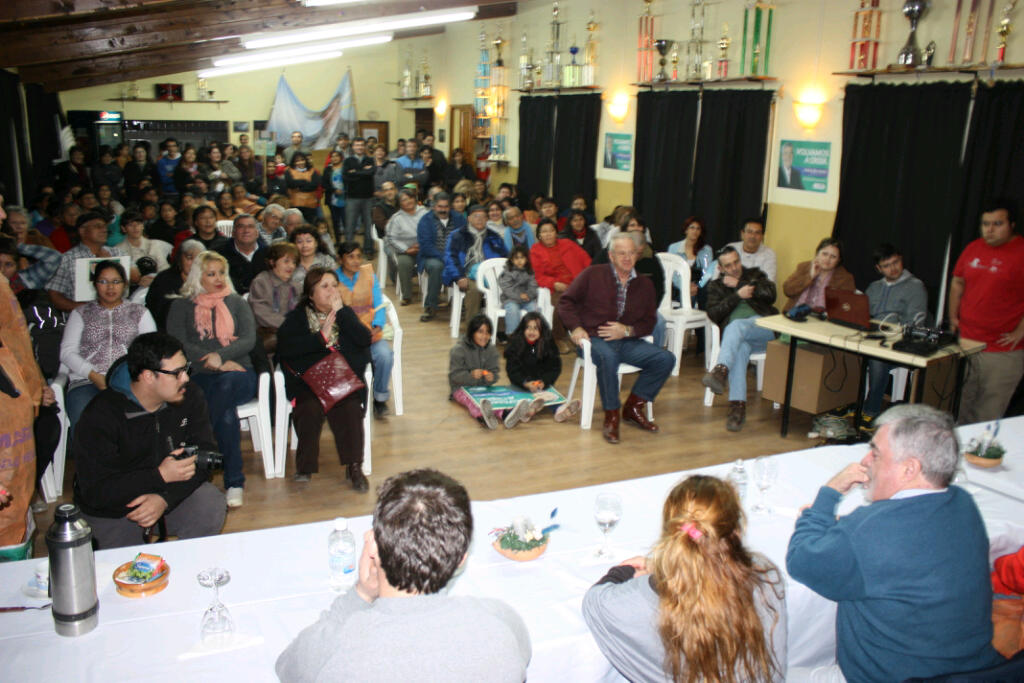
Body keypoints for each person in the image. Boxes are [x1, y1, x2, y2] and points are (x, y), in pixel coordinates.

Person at [786, 404, 1006, 682]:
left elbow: (801, 559)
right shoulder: (963, 503)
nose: (866, 460)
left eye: (876, 453)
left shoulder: (871, 530)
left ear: (909, 469)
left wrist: (827, 495)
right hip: (975, 671)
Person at [276, 468, 530, 681]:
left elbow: (288, 669)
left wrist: (360, 595)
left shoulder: (334, 645)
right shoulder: (501, 623)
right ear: (462, 558)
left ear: (373, 548)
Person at [584, 475, 787, 682]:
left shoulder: (633, 602)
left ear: (671, 535)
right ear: (738, 531)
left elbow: (594, 600)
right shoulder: (766, 578)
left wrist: (627, 571)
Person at [71, 332, 226, 549]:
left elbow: (205, 455)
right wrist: (159, 475)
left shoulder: (189, 395)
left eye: (186, 369)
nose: (185, 378)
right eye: (177, 373)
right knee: (128, 566)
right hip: (113, 510)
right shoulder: (100, 415)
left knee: (210, 503)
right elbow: (96, 491)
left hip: (166, 494)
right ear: (148, 376)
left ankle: (188, 561)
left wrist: (165, 499)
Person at [558, 233, 675, 444]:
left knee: (665, 359)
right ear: (611, 256)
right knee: (608, 358)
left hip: (627, 341)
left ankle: (633, 407)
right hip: (594, 339)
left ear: (637, 255)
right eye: (621, 253)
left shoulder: (645, 284)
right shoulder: (592, 274)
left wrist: (628, 331)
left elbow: (649, 322)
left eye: (631, 253)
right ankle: (612, 416)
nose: (627, 258)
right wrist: (576, 328)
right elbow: (566, 302)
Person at [166, 251, 257, 508]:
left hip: (239, 373)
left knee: (225, 386)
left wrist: (221, 356)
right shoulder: (181, 306)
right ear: (198, 277)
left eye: (221, 273)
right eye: (211, 274)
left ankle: (198, 454)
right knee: (225, 415)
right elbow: (178, 344)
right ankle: (234, 482)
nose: (218, 279)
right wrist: (213, 361)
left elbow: (249, 339)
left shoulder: (236, 302)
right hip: (199, 375)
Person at [276, 267, 370, 488]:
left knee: (349, 407)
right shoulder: (297, 318)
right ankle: (304, 466)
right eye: (324, 286)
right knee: (308, 408)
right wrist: (320, 339)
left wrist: (341, 313)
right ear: (311, 293)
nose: (332, 291)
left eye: (335, 285)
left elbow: (364, 340)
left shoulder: (345, 314)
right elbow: (286, 350)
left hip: (341, 380)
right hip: (309, 382)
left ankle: (354, 467)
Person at [949, 198, 1024, 425]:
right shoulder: (973, 248)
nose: (989, 230)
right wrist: (953, 317)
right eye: (985, 224)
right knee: (957, 408)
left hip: (1002, 352)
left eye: (997, 224)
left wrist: (1021, 331)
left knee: (986, 417)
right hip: (967, 343)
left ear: (1012, 225)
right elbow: (957, 282)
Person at [60, 260, 156, 432]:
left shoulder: (139, 312)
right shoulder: (80, 313)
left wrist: (129, 376)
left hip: (129, 382)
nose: (110, 287)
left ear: (125, 284)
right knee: (85, 421)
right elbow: (67, 352)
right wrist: (93, 375)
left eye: (116, 281)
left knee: (136, 424)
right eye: (103, 281)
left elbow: (150, 350)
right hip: (86, 381)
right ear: (95, 284)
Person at [702, 246, 778, 432]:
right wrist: (737, 296)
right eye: (728, 265)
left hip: (763, 330)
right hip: (737, 338)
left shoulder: (754, 275)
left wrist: (739, 284)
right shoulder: (716, 286)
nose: (734, 267)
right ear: (720, 268)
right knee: (740, 348)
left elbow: (771, 295)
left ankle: (721, 370)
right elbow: (714, 314)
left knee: (736, 326)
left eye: (736, 262)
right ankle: (738, 407)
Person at [863, 243, 929, 424]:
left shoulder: (915, 287)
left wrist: (891, 332)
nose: (893, 268)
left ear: (901, 260)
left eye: (895, 262)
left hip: (898, 344)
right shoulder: (874, 287)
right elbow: (863, 314)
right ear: (878, 269)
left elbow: (915, 324)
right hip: (872, 338)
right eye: (886, 265)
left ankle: (870, 411)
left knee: (877, 359)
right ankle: (845, 403)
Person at [334, 242, 394, 419]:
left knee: (385, 356)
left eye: (359, 256)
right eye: (350, 257)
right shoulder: (333, 279)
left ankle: (379, 398)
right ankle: (349, 401)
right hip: (347, 336)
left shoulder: (368, 274)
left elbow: (379, 303)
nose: (355, 261)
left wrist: (378, 325)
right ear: (340, 259)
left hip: (370, 331)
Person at [449, 313, 534, 429]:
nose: (484, 336)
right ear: (472, 332)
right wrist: (470, 375)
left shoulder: (491, 350)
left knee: (495, 398)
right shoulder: (459, 350)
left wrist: (491, 377)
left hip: (483, 387)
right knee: (472, 401)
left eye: (487, 332)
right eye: (480, 332)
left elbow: (494, 373)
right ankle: (483, 417)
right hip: (461, 388)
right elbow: (454, 376)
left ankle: (506, 415)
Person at [504, 312, 581, 423]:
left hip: (541, 385)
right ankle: (526, 411)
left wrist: (544, 381)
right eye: (528, 328)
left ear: (542, 330)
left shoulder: (548, 344)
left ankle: (560, 410)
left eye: (536, 328)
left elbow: (555, 368)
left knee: (551, 395)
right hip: (521, 384)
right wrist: (525, 383)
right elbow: (512, 370)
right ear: (522, 329)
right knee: (516, 398)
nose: (531, 331)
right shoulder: (515, 344)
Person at [530, 217, 592, 352]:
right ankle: (557, 338)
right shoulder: (535, 250)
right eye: (544, 231)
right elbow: (537, 276)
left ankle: (585, 335)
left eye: (551, 230)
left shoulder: (568, 244)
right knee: (562, 303)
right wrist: (554, 283)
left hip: (577, 283)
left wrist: (588, 278)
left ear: (556, 232)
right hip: (556, 287)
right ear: (539, 235)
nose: (548, 234)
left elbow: (586, 260)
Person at [46, 211, 128, 311]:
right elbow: (54, 295)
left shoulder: (117, 253)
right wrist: (85, 309)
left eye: (105, 227)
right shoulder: (68, 259)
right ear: (82, 231)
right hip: (81, 316)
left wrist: (109, 261)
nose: (104, 230)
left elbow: (133, 277)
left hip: (118, 313)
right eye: (98, 226)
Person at [443, 203, 508, 324]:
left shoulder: (494, 237)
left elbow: (505, 257)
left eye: (483, 217)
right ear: (469, 218)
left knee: (508, 287)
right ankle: (472, 328)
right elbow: (450, 258)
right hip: (466, 274)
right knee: (475, 289)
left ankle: (500, 327)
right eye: (476, 216)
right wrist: (459, 276)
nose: (480, 219)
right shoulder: (458, 235)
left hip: (491, 275)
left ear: (487, 219)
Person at [417, 192, 465, 322]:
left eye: (446, 206)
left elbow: (465, 239)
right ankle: (431, 306)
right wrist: (445, 257)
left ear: (450, 207)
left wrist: (454, 257)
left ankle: (462, 304)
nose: (443, 210)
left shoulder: (459, 219)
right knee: (436, 267)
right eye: (440, 206)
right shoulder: (425, 221)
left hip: (455, 255)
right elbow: (426, 246)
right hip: (432, 256)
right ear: (434, 206)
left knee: (466, 265)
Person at [248, 241, 300, 354]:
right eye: (286, 261)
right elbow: (262, 313)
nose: (291, 266)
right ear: (272, 262)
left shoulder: (296, 286)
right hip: (268, 332)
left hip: (293, 330)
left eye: (294, 262)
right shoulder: (261, 282)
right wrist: (291, 325)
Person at [781, 237, 855, 312]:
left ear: (838, 260)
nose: (827, 259)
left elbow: (846, 306)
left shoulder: (845, 278)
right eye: (824, 254)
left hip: (824, 317)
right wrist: (810, 276)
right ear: (817, 254)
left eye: (833, 257)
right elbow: (787, 291)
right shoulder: (804, 267)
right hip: (795, 314)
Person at [146, 238, 203, 330]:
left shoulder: (208, 278)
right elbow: (160, 313)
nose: (194, 263)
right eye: (189, 258)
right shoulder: (164, 280)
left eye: (198, 259)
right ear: (180, 259)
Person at [384, 188, 427, 306]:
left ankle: (433, 295)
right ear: (399, 203)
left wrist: (423, 244)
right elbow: (391, 238)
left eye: (410, 198)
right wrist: (407, 249)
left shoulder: (425, 213)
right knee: (404, 263)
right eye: (404, 200)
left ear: (415, 199)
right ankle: (407, 296)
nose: (408, 201)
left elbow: (433, 231)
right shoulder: (396, 218)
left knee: (434, 263)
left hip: (425, 248)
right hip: (405, 250)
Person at [667, 215, 715, 309]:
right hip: (678, 286)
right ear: (686, 230)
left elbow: (708, 273)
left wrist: (698, 286)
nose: (695, 231)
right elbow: (672, 272)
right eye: (692, 228)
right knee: (687, 295)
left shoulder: (706, 250)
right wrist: (685, 286)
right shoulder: (674, 248)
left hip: (699, 287)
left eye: (698, 229)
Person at [215, 213, 267, 295]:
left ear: (257, 233)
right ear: (233, 233)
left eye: (250, 226)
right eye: (241, 227)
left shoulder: (269, 254)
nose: (246, 231)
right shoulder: (219, 255)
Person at [119, 211, 171, 287]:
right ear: (123, 228)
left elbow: (164, 269)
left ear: (143, 226)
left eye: (138, 224)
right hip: (132, 288)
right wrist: (138, 281)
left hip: (157, 284)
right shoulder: (118, 250)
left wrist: (155, 280)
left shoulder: (154, 245)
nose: (135, 228)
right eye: (130, 225)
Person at [499, 244, 539, 335]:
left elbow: (533, 286)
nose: (519, 261)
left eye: (522, 258)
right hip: (510, 299)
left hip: (526, 299)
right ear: (511, 260)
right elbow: (507, 288)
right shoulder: (507, 272)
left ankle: (532, 333)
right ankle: (513, 334)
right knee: (513, 310)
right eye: (516, 258)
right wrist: (519, 296)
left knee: (534, 308)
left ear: (527, 259)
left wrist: (529, 295)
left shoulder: (529, 271)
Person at [721, 218, 777, 283]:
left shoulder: (769, 254)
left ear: (762, 236)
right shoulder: (730, 248)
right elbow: (717, 275)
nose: (753, 236)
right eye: (749, 232)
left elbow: (768, 282)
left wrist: (737, 283)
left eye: (757, 233)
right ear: (742, 234)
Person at [285, 152, 322, 224]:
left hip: (310, 204)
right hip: (295, 204)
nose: (300, 162)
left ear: (306, 160)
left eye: (302, 160)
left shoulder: (313, 171)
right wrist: (305, 181)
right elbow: (291, 184)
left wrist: (299, 188)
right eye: (297, 161)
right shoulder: (288, 170)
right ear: (293, 162)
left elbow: (314, 185)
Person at [322, 149, 346, 241]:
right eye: (332, 156)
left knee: (346, 221)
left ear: (341, 157)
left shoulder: (345, 168)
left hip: (345, 198)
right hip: (332, 199)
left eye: (337, 156)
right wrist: (334, 190)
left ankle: (348, 241)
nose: (334, 158)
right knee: (335, 222)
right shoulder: (327, 169)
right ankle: (338, 241)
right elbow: (324, 183)